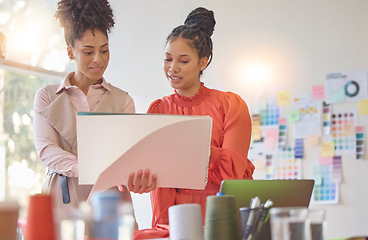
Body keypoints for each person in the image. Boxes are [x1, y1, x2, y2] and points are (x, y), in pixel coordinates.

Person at [33, 0, 156, 215]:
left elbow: (128, 158)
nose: (98, 60)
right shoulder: (47, 96)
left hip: (110, 206)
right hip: (61, 202)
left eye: (105, 50)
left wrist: (137, 177)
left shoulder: (123, 101)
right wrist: (92, 169)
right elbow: (47, 151)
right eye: (88, 52)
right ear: (71, 52)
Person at [147, 7, 255, 227]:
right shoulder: (158, 109)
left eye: (183, 61)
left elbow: (232, 173)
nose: (172, 68)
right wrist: (164, 227)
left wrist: (199, 149)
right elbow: (160, 183)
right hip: (178, 218)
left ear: (203, 62)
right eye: (168, 59)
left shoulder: (230, 105)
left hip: (226, 212)